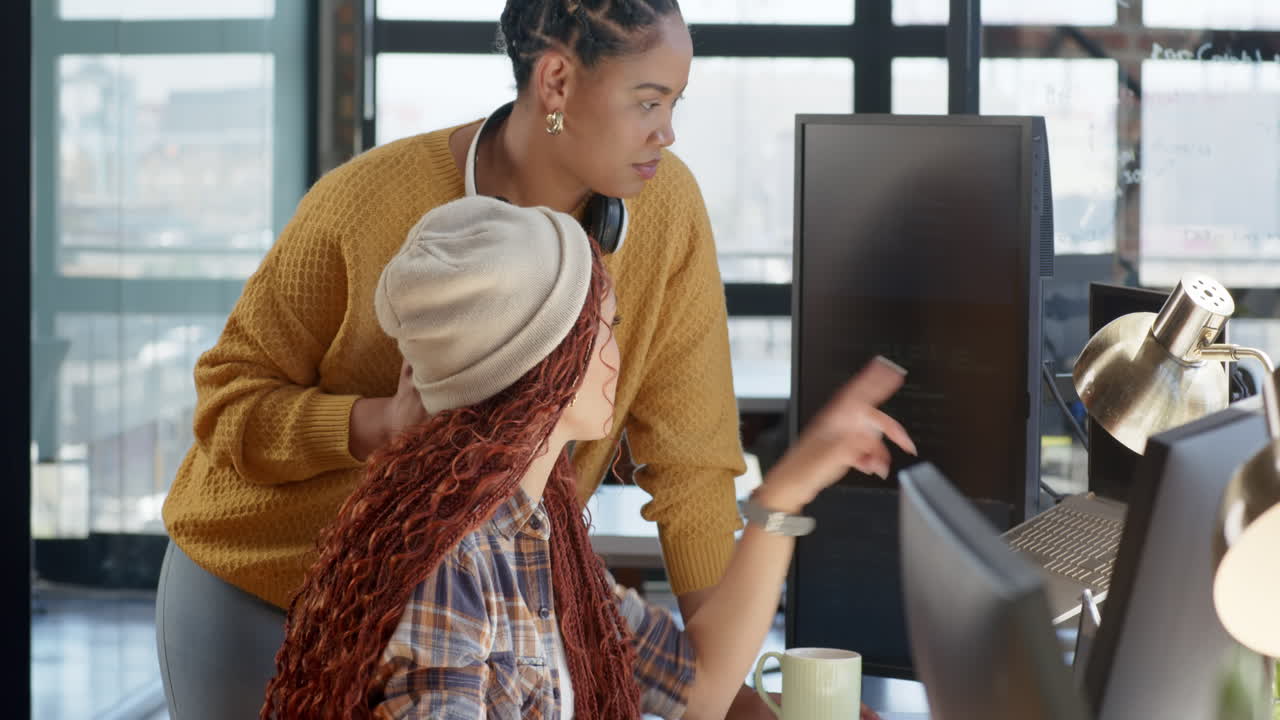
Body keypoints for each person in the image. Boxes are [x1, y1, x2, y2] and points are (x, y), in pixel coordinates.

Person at [155, 1, 822, 717]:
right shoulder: (363, 205)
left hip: (481, 591)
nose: (668, 130)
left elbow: (691, 469)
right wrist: (378, 424)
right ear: (558, 82)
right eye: (648, 101)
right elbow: (227, 402)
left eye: (674, 102)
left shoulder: (663, 207)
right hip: (267, 586)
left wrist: (730, 698)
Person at [261, 196, 915, 719]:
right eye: (605, 331)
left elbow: (700, 689)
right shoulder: (454, 563)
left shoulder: (540, 533)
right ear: (544, 362)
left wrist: (785, 495)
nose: (617, 359)